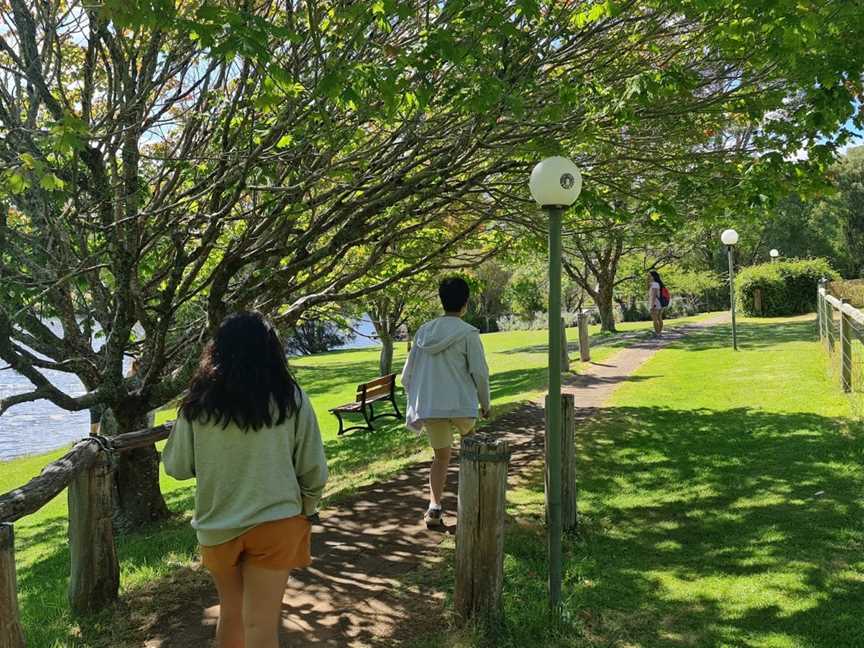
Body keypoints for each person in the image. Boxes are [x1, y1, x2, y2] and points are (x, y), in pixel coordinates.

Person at [163, 312, 327, 648]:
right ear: (272, 349)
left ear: (217, 349)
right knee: (261, 625)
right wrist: (307, 506)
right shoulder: (290, 398)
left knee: (231, 614)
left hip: (217, 524)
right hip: (277, 521)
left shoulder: (196, 404)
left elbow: (176, 467)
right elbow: (313, 468)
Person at [401, 276, 491, 529]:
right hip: (461, 404)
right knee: (470, 448)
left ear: (441, 300)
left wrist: (418, 400)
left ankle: (434, 507)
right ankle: (473, 504)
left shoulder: (423, 332)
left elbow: (406, 375)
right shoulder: (469, 333)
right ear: (465, 304)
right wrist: (485, 403)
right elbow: (480, 373)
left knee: (441, 458)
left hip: (431, 406)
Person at [648, 270, 665, 337]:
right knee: (659, 318)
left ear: (653, 276)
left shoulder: (654, 284)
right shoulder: (658, 283)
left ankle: (657, 333)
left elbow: (654, 295)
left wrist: (652, 305)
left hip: (655, 303)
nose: (648, 277)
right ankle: (659, 333)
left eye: (649, 276)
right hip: (659, 303)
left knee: (655, 319)